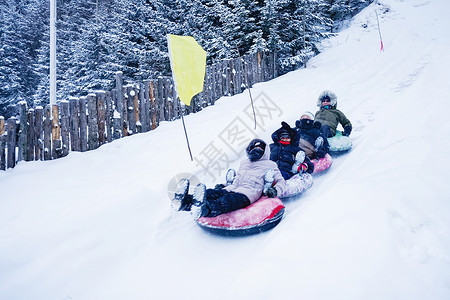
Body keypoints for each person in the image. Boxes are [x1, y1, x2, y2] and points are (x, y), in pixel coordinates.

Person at [172, 139, 286, 219]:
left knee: (225, 202)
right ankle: (185, 202)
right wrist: (223, 185)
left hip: (247, 193)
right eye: (254, 148)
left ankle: (204, 209)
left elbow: (281, 182)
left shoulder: (270, 165)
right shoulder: (244, 163)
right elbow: (238, 178)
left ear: (265, 152)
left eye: (260, 149)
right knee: (211, 193)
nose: (256, 150)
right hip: (232, 188)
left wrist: (275, 190)